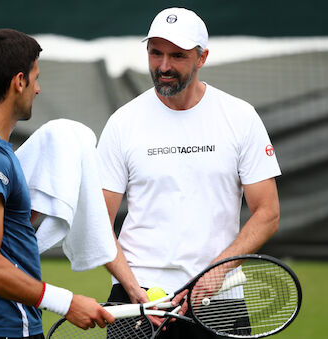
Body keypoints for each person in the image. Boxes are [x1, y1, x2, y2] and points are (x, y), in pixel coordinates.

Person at [98, 8, 281, 338]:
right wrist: (133, 288)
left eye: (177, 56)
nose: (164, 66)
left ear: (202, 57)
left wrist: (216, 273)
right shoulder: (123, 123)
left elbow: (267, 213)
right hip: (138, 301)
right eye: (155, 53)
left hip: (219, 298)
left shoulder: (240, 117)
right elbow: (98, 222)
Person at [0, 29, 114, 339]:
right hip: (0, 326)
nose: (38, 89)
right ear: (18, 81)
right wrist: (67, 302)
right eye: (35, 78)